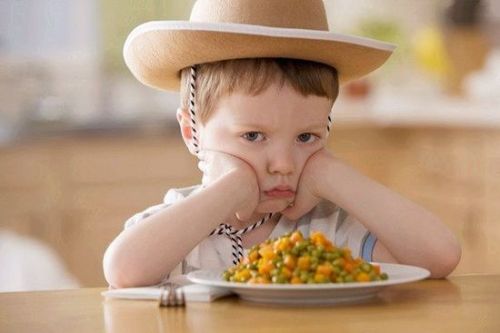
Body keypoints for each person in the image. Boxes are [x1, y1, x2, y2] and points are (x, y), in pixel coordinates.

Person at [103, 0, 461, 288]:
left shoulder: (327, 231)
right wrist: (230, 188)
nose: (284, 164)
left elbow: (440, 257)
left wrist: (330, 173)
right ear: (191, 132)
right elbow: (123, 271)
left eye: (307, 137)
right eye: (253, 136)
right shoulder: (175, 230)